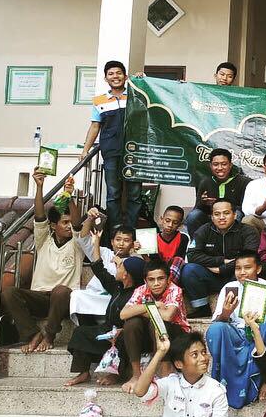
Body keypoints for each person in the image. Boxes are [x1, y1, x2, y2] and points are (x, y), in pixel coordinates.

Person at [1, 169, 82, 353]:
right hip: (40, 298)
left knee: (60, 291)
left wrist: (69, 196)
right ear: (53, 226)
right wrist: (39, 186)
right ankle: (33, 334)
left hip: (63, 300)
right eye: (65, 223)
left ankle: (49, 335)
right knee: (8, 292)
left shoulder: (77, 244)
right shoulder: (44, 240)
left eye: (70, 223)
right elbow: (39, 216)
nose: (69, 226)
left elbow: (78, 224)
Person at [65, 229, 147, 387]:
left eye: (120, 266)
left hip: (123, 335)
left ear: (126, 275)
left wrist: (118, 332)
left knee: (123, 340)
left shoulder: (138, 294)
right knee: (80, 332)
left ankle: (116, 374)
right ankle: (83, 372)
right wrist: (96, 242)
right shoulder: (117, 287)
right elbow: (98, 268)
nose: (116, 267)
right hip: (108, 331)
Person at [205, 251, 266, 408]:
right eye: (238, 268)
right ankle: (220, 381)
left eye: (247, 267)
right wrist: (226, 312)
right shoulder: (230, 288)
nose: (242, 272)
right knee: (216, 329)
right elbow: (218, 320)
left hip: (259, 334)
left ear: (258, 269)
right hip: (236, 334)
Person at [79, 60, 141, 229]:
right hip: (111, 152)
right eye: (111, 74)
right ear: (106, 78)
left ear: (125, 77)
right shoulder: (99, 101)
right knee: (113, 193)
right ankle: (115, 230)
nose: (115, 76)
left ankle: (131, 231)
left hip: (135, 152)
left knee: (135, 194)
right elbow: (95, 126)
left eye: (119, 73)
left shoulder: (136, 96)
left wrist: (142, 81)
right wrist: (85, 150)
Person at [119, 259, 191, 392]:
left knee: (157, 322)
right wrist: (152, 306)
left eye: (160, 278)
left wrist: (141, 310)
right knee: (131, 323)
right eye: (151, 280)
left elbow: (168, 316)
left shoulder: (175, 290)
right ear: (145, 281)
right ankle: (136, 375)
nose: (156, 283)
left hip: (176, 336)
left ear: (168, 279)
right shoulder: (141, 290)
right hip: (151, 337)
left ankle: (165, 371)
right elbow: (123, 314)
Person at [181, 199, 260, 316]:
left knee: (248, 269)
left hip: (236, 275)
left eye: (226, 213)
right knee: (189, 269)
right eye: (217, 214)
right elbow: (192, 255)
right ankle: (202, 307)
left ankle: (237, 311)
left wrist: (222, 269)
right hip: (212, 276)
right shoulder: (204, 230)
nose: (221, 217)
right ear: (212, 217)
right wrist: (221, 261)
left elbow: (250, 257)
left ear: (235, 215)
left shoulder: (248, 231)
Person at [68, 205, 134, 323]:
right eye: (118, 239)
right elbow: (83, 239)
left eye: (126, 240)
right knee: (77, 295)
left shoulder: (134, 261)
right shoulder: (104, 252)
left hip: (113, 297)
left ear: (132, 244)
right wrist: (90, 219)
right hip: (94, 295)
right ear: (112, 242)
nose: (121, 244)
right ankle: (86, 326)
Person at [187, 148, 251, 237]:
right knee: (193, 215)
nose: (220, 168)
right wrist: (203, 203)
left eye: (224, 164)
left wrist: (223, 207)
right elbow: (197, 208)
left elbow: (246, 208)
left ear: (230, 165)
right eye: (215, 164)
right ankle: (195, 243)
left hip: (232, 217)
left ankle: (232, 242)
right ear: (210, 166)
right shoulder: (205, 182)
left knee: (237, 214)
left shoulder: (243, 182)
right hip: (211, 218)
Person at [143, 205, 189, 282]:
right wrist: (143, 253)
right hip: (157, 270)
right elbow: (153, 262)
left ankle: (168, 284)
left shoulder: (183, 238)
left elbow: (179, 260)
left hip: (175, 272)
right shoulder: (153, 238)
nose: (170, 225)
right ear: (161, 219)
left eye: (175, 223)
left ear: (180, 225)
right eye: (167, 221)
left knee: (178, 260)